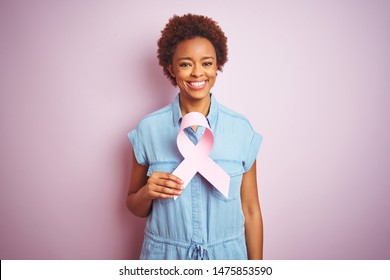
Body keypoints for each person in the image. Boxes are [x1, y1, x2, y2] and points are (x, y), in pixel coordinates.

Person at [127, 14, 263, 260]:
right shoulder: (148, 129)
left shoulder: (241, 130)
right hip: (165, 258)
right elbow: (133, 206)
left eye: (207, 63)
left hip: (227, 258)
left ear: (217, 66)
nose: (197, 73)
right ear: (171, 68)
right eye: (186, 64)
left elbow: (251, 210)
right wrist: (147, 192)